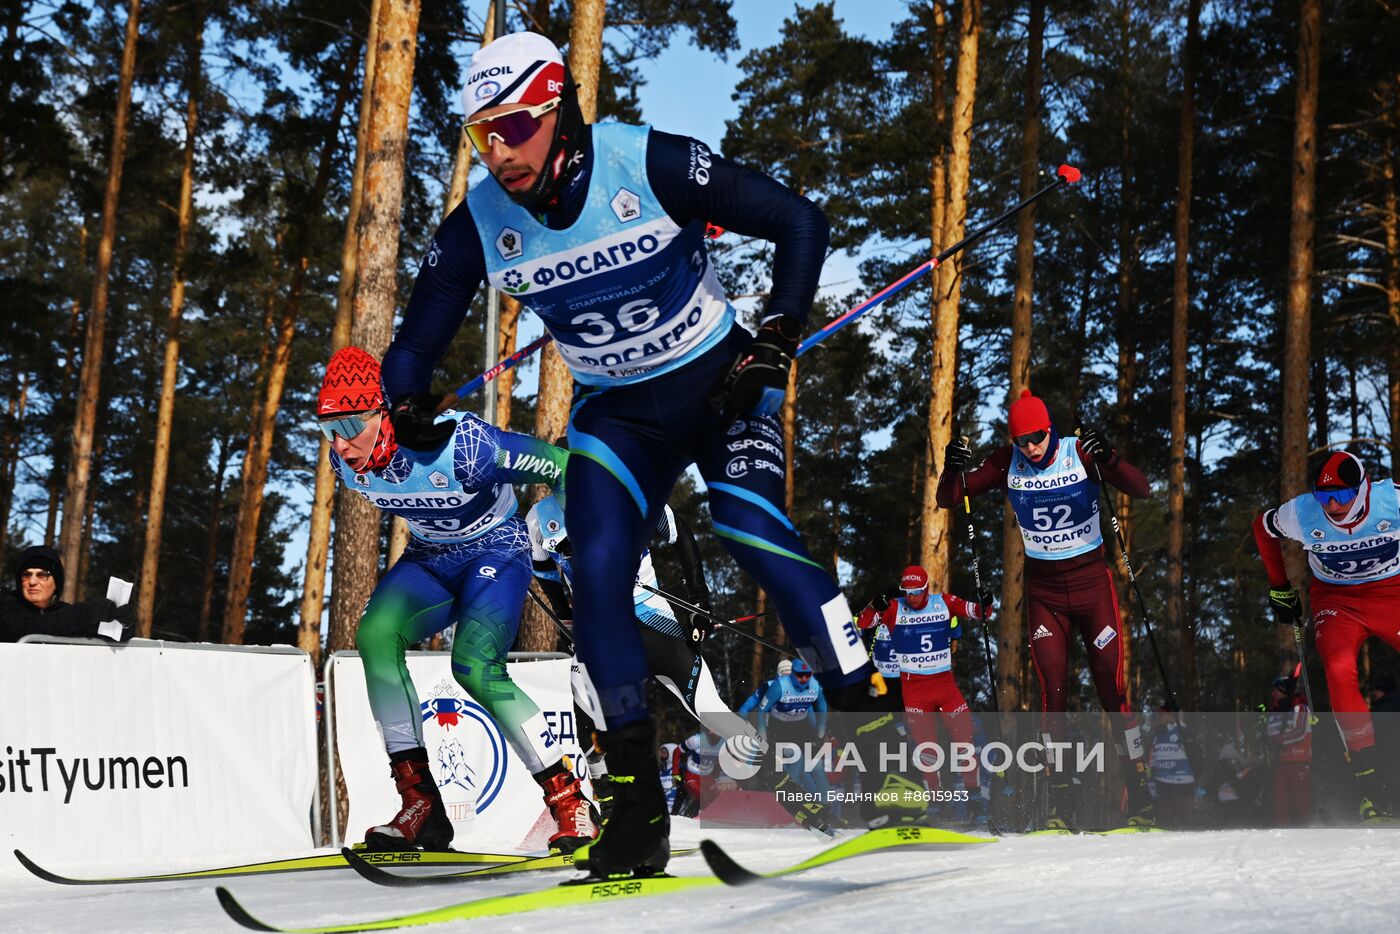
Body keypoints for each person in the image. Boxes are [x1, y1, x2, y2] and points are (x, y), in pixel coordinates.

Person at [381, 31, 872, 876]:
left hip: (718, 388)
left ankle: (879, 739)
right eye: (480, 136)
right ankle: (639, 813)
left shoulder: (645, 163)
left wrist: (781, 332)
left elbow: (799, 219)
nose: (500, 152)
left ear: (562, 108)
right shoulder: (483, 220)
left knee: (754, 535)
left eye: (518, 126)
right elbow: (415, 340)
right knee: (597, 581)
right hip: (619, 418)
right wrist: (406, 400)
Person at [317, 346, 595, 853]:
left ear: (384, 413)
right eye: (327, 429)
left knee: (475, 666)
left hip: (497, 548)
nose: (339, 443)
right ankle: (420, 805)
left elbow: (563, 466)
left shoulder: (465, 445)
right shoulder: (346, 461)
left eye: (351, 424)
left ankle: (570, 801)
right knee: (375, 637)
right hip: (431, 557)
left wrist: (575, 538)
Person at [937, 389, 1155, 830]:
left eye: (1037, 437)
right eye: (1022, 441)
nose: (1031, 448)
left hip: (1093, 587)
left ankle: (1142, 792)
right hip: (1046, 594)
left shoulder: (1078, 453)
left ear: (1050, 429)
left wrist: (1109, 457)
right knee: (1051, 695)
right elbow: (949, 497)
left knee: (1112, 691)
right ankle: (1059, 803)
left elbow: (1141, 488)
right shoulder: (1006, 461)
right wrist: (951, 466)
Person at [1253, 450, 1400, 821]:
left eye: (1343, 497)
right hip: (1338, 601)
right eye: (1324, 497)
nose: (1333, 505)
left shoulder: (1392, 499)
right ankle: (1371, 786)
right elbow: (1262, 527)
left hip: (1391, 594)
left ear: (1363, 489)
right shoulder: (1303, 513)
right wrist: (1279, 587)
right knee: (1337, 670)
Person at [859, 565, 989, 827]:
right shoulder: (895, 608)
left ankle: (975, 799)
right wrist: (874, 605)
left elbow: (977, 613)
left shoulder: (944, 602)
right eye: (907, 592)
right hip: (914, 691)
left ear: (926, 588)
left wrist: (985, 602)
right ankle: (937, 803)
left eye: (917, 592)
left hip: (945, 687)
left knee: (965, 741)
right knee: (927, 750)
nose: (912, 597)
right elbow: (863, 622)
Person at [1, 545, 133, 644]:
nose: (32, 581)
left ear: (56, 582)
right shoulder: (6, 607)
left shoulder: (63, 610)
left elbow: (103, 636)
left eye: (42, 575)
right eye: (26, 575)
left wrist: (121, 622)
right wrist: (83, 614)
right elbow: (28, 628)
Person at [756, 658, 831, 799]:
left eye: (807, 676)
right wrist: (763, 739)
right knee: (796, 760)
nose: (803, 680)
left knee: (817, 768)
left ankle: (826, 806)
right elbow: (761, 712)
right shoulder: (777, 687)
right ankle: (790, 800)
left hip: (802, 733)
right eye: (799, 676)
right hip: (780, 734)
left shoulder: (813, 685)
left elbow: (821, 708)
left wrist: (821, 734)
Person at [1264, 676, 1312, 827]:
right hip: (1280, 762)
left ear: (1283, 690)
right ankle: (1282, 830)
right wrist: (1268, 741)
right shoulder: (1275, 710)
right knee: (1280, 800)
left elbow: (1301, 732)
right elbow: (1270, 734)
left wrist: (1280, 740)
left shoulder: (1300, 708)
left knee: (1301, 800)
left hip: (1299, 759)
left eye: (1275, 691)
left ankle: (1305, 828)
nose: (1273, 694)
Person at [1148, 702, 1196, 829]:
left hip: (1181, 781)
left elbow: (1196, 756)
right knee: (1164, 817)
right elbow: (1153, 758)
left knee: (1180, 816)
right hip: (1162, 781)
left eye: (1162, 714)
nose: (1159, 717)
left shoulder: (1183, 731)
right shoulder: (1157, 734)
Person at [669, 728, 723, 817]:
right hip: (690, 775)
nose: (712, 732)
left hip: (706, 776)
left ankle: (707, 816)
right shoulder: (696, 740)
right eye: (710, 730)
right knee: (702, 795)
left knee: (717, 797)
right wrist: (675, 772)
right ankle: (688, 816)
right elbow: (677, 751)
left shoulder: (723, 743)